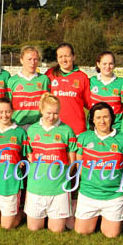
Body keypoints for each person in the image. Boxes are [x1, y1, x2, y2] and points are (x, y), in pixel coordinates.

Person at [74, 102, 123, 238]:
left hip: (113, 195)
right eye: (98, 117)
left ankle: (116, 218)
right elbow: (79, 163)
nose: (102, 121)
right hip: (88, 193)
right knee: (81, 232)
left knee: (111, 235)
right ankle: (89, 213)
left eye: (106, 117)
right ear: (93, 120)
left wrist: (117, 177)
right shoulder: (84, 138)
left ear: (112, 118)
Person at [25, 93, 77, 232]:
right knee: (34, 228)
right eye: (48, 113)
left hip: (59, 188)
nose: (52, 117)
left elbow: (72, 160)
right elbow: (29, 155)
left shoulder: (67, 131)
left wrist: (64, 178)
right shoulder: (32, 130)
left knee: (57, 230)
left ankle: (71, 208)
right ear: (41, 110)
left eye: (55, 113)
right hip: (36, 187)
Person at [0, 98, 29, 229]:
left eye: (8, 112)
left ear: (12, 112)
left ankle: (21, 213)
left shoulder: (20, 132)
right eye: (1, 112)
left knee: (7, 226)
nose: (4, 115)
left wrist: (22, 161)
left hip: (10, 185)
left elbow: (27, 155)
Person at [44, 43, 90, 135]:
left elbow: (89, 104)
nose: (64, 59)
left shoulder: (82, 77)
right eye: (60, 56)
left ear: (73, 56)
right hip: (54, 127)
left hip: (76, 130)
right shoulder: (49, 74)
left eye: (67, 56)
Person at [7, 45, 50, 128]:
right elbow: (8, 105)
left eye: (35, 59)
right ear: (21, 60)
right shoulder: (12, 81)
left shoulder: (44, 80)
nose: (33, 62)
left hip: (38, 127)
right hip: (17, 126)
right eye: (29, 59)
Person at [89, 51, 123, 131]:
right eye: (104, 64)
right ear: (98, 64)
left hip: (115, 129)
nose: (108, 66)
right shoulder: (91, 81)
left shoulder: (122, 83)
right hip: (94, 129)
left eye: (111, 63)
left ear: (114, 65)